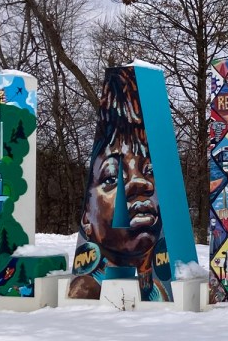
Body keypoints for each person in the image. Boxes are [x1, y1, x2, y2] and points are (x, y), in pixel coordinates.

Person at [69, 68, 170, 301]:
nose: (140, 183)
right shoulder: (85, 290)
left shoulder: (162, 288)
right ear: (86, 218)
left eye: (150, 171)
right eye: (112, 177)